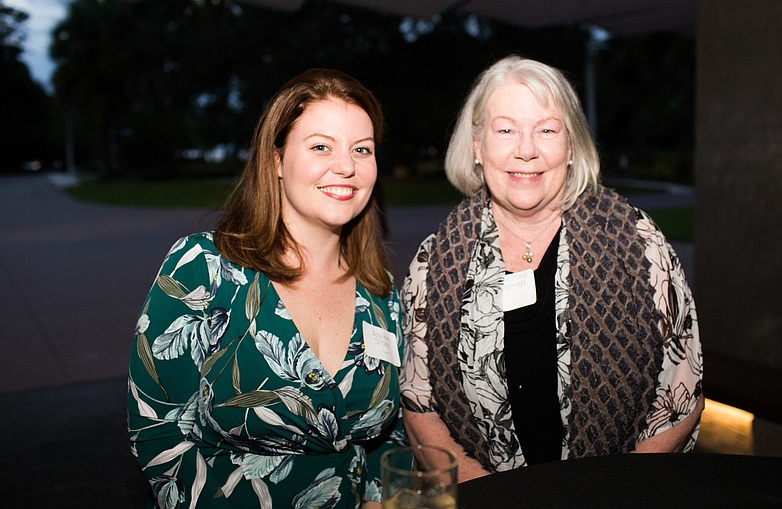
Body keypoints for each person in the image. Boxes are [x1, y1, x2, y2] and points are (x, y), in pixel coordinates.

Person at [400, 55, 703, 482]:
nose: (526, 150)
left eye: (546, 130)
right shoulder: (435, 262)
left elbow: (681, 396)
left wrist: (612, 496)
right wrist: (486, 496)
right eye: (505, 130)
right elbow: (419, 406)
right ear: (476, 146)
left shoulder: (638, 243)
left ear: (572, 147)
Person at [128, 68, 404, 508]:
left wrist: (383, 499)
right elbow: (159, 437)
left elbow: (391, 436)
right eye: (320, 147)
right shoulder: (204, 269)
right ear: (276, 161)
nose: (346, 166)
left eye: (361, 150)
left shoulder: (381, 291)